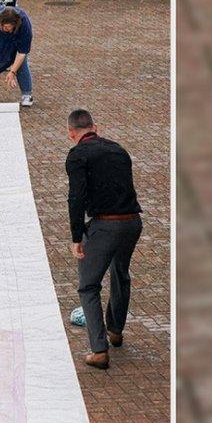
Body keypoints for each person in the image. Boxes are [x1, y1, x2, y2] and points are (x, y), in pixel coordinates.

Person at [65, 110, 143, 370]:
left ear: (71, 133)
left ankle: (99, 351)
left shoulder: (77, 155)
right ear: (95, 128)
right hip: (132, 222)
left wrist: (77, 236)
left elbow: (76, 198)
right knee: (120, 272)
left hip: (105, 225)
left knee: (88, 286)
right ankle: (116, 330)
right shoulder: (118, 150)